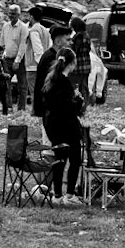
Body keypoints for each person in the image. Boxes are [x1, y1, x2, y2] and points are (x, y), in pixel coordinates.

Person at [40, 48, 87, 199]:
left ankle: (58, 194)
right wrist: (78, 101)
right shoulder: (65, 83)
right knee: (75, 160)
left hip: (53, 126)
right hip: (67, 126)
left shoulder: (51, 80)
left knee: (60, 160)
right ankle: (70, 194)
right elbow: (68, 107)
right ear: (72, 63)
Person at [18, 11, 52, 108]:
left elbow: (37, 49)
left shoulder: (34, 31)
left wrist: (40, 63)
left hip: (34, 66)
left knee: (34, 92)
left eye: (28, 16)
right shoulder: (45, 30)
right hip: (43, 65)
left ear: (31, 17)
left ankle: (37, 111)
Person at [0, 7, 29, 109]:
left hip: (20, 60)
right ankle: (8, 106)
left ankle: (21, 108)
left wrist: (17, 61)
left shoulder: (23, 27)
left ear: (18, 15)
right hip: (7, 58)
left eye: (13, 14)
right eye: (10, 13)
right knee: (6, 83)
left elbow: (23, 45)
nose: (11, 16)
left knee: (22, 85)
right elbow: (2, 42)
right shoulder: (5, 26)